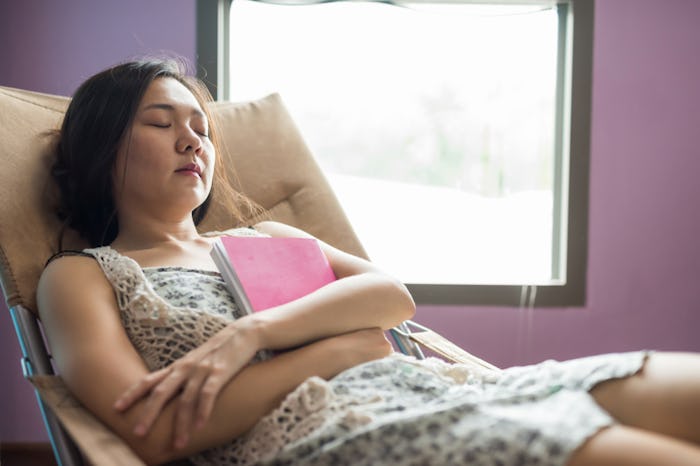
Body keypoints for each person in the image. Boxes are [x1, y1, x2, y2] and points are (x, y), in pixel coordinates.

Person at [37, 59, 700, 466]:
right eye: (161, 122)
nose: (193, 138)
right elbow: (149, 436)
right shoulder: (84, 274)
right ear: (104, 146)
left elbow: (390, 298)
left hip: (444, 390)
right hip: (344, 440)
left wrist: (255, 333)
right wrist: (335, 351)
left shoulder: (261, 236)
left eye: (203, 127)